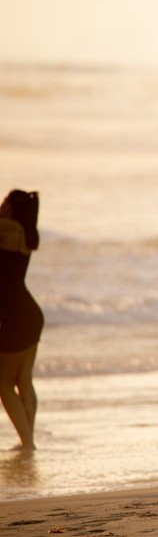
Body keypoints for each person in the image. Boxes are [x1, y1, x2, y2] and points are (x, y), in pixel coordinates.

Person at [0, 190, 44, 451]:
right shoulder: (23, 232)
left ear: (12, 207)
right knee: (23, 381)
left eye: (5, 202)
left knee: (3, 384)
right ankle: (28, 439)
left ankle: (27, 442)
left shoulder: (8, 228)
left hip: (16, 316)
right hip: (28, 313)